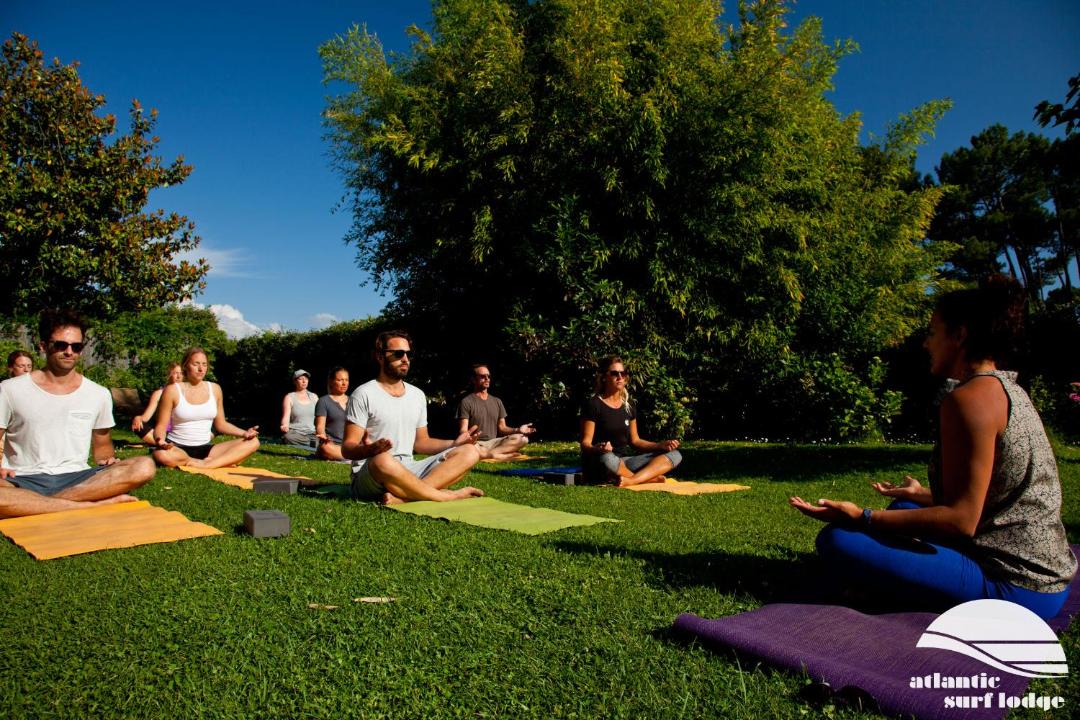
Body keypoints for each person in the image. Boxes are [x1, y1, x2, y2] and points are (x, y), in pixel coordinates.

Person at [790, 275, 1076, 620]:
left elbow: (961, 522)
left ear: (960, 335)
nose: (926, 344)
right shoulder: (1005, 388)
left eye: (932, 333)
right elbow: (989, 497)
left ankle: (879, 590)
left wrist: (862, 516)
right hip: (1043, 576)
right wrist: (924, 493)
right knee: (903, 505)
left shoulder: (969, 400)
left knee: (839, 540)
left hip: (1016, 590)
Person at [0, 310, 156, 517]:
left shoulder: (98, 394)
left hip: (79, 478)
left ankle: (36, 505)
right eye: (61, 345)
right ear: (43, 346)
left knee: (144, 466)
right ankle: (89, 506)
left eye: (76, 346)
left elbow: (102, 450)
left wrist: (109, 462)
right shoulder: (10, 389)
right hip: (23, 477)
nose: (69, 351)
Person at [342, 330, 485, 504]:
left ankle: (404, 498)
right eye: (398, 354)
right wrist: (370, 450)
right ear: (380, 356)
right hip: (373, 473)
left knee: (471, 452)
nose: (405, 359)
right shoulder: (363, 394)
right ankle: (444, 496)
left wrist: (455, 444)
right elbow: (347, 448)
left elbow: (421, 443)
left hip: (408, 469)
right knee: (383, 459)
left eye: (409, 354)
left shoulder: (417, 395)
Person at [579, 356, 683, 486]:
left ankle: (632, 480)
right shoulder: (593, 404)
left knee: (674, 455)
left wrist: (660, 445)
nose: (620, 377)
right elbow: (585, 443)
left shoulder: (629, 405)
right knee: (607, 459)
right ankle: (647, 479)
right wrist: (598, 448)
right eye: (614, 373)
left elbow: (635, 441)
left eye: (623, 373)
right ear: (604, 377)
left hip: (625, 463)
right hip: (602, 460)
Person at [151, 348, 260, 468]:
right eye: (196, 364)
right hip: (177, 448)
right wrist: (160, 440)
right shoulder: (172, 390)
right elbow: (161, 425)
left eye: (204, 364)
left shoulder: (215, 389)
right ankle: (212, 462)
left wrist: (245, 433)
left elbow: (221, 424)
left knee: (253, 442)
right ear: (185, 366)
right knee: (161, 455)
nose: (201, 369)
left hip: (206, 448)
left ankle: (206, 464)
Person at [455, 364, 536, 460]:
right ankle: (495, 453)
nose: (487, 379)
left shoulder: (497, 401)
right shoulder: (466, 401)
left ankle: (487, 454)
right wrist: (469, 439)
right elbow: (463, 430)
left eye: (488, 376)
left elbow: (502, 428)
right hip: (476, 444)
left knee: (523, 439)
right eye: (483, 376)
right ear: (473, 379)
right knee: (470, 448)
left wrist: (518, 430)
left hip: (494, 442)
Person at [130, 363, 183, 443]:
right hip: (162, 431)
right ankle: (162, 443)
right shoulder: (159, 393)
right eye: (175, 373)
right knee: (139, 425)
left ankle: (165, 444)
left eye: (181, 373)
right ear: (169, 375)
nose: (178, 376)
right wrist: (139, 418)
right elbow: (146, 416)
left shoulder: (186, 394)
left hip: (181, 431)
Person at [314, 366, 350, 461]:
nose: (344, 383)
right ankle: (355, 458)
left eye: (346, 380)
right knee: (325, 448)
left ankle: (352, 456)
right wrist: (323, 437)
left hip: (351, 446)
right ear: (331, 381)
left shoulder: (353, 401)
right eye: (340, 380)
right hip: (332, 446)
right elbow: (320, 427)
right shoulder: (323, 401)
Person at [279, 369, 318, 449]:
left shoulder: (314, 397)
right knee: (288, 437)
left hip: (312, 433)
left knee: (323, 439)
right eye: (300, 379)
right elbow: (286, 417)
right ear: (295, 381)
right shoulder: (289, 397)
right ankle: (312, 444)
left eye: (306, 379)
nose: (304, 381)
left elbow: (320, 417)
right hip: (295, 432)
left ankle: (313, 442)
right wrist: (284, 425)